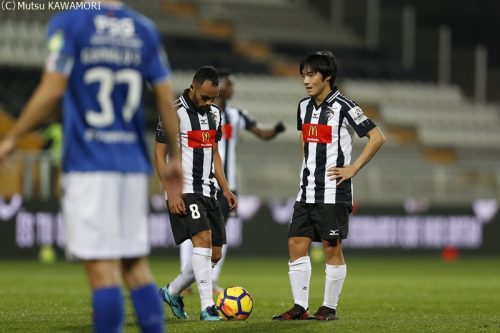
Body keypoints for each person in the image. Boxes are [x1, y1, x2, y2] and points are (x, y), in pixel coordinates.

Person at [0, 2, 183, 332]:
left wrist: (13, 136)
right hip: (130, 165)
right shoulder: (143, 29)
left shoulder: (69, 23)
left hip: (89, 164)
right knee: (135, 267)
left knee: (101, 271)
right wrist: (177, 157)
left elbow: (53, 88)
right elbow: (164, 97)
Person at [272, 51, 385, 321]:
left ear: (328, 77)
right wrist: (308, 168)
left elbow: (377, 137)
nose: (306, 81)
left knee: (331, 247)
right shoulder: (303, 106)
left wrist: (353, 168)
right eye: (303, 75)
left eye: (311, 75)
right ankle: (300, 307)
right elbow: (305, 141)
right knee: (296, 243)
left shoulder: (345, 106)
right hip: (306, 189)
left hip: (334, 190)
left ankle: (329, 307)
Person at [179, 68, 286, 294]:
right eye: (229, 84)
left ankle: (211, 280)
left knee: (219, 236)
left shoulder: (236, 115)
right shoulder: (193, 114)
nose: (231, 88)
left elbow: (260, 133)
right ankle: (186, 281)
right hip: (197, 182)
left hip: (226, 184)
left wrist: (275, 131)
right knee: (195, 233)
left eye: (232, 85)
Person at [154, 66, 238, 321]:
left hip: (209, 190)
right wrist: (172, 192)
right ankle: (206, 307)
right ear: (193, 87)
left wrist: (225, 189)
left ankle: (172, 291)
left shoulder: (215, 114)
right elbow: (159, 155)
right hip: (185, 190)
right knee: (201, 239)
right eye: (205, 97)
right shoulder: (173, 111)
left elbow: (214, 153)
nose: (209, 102)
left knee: (214, 254)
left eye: (213, 98)